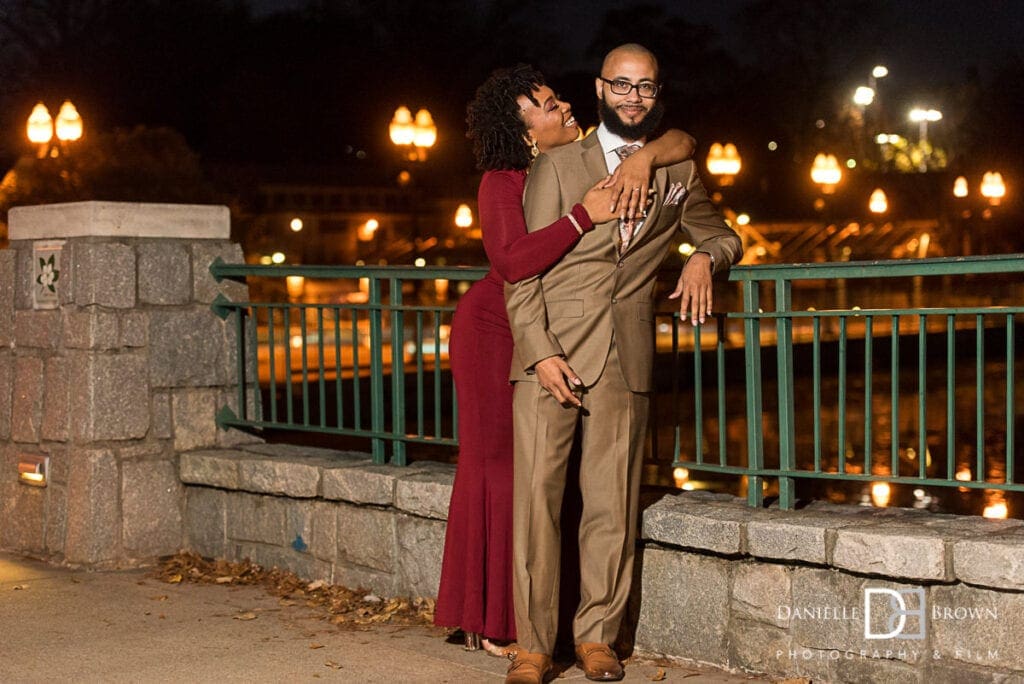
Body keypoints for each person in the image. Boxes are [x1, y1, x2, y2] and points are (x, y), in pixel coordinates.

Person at [434, 64, 697, 657]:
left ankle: (547, 623)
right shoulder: (503, 180)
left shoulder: (578, 160)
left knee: (556, 484)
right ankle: (491, 619)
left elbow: (681, 140)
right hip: (495, 328)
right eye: (548, 107)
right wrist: (582, 216)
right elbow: (511, 262)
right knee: (502, 473)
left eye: (558, 99)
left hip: (559, 329)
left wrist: (646, 158)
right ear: (525, 132)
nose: (565, 108)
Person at [504, 44, 743, 683]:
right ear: (601, 88)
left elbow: (724, 234)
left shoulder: (678, 172)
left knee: (612, 502)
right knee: (538, 502)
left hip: (626, 356)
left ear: (656, 94)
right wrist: (539, 351)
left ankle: (596, 639)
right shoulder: (557, 165)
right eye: (622, 85)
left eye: (646, 88)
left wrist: (702, 258)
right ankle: (532, 646)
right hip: (550, 354)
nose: (634, 97)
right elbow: (523, 271)